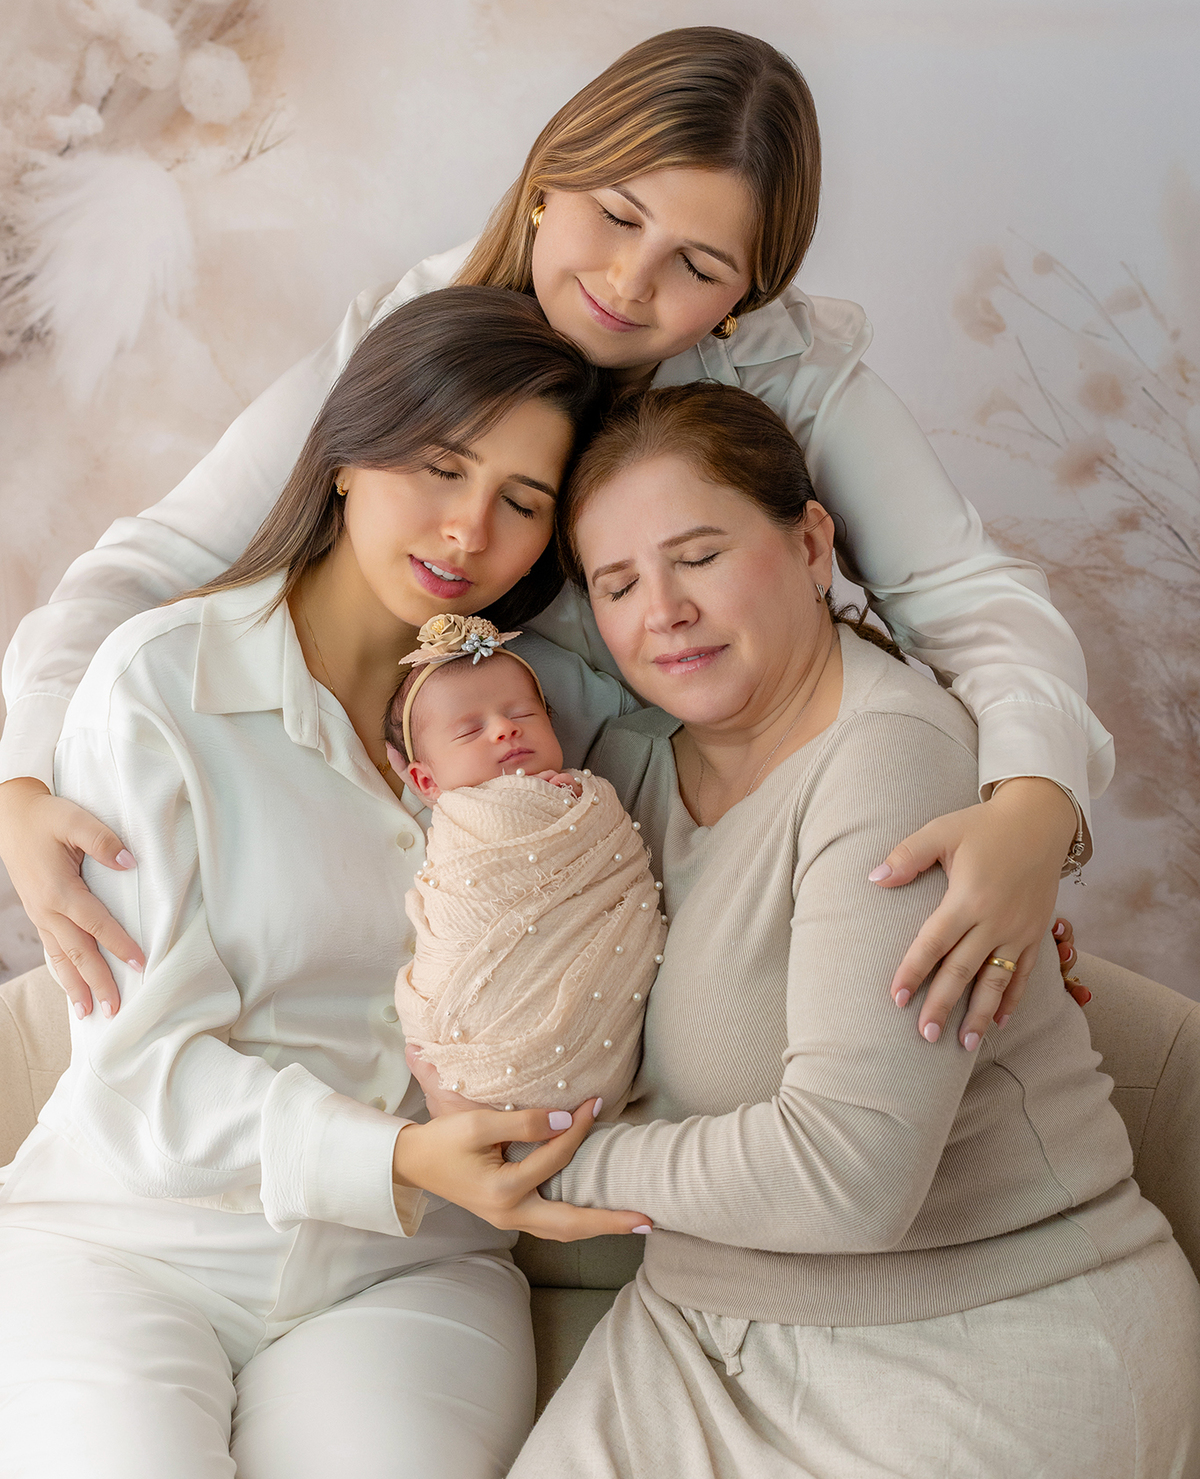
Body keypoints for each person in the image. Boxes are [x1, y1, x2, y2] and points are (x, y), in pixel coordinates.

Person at [0, 25, 1097, 1051]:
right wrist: (22, 785)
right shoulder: (419, 336)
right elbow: (147, 570)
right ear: (544, 183)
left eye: (698, 266)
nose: (631, 282)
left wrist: (1030, 810)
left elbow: (968, 600)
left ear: (741, 301)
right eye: (617, 217)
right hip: (425, 830)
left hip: (676, 834)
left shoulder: (787, 373)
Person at [0, 290, 655, 1479]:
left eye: (521, 502)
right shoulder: (164, 682)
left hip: (410, 1273)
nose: (468, 532)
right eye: (439, 467)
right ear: (348, 455)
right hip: (126, 1243)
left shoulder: (556, 725)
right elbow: (144, 1076)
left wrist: (1006, 854)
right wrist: (398, 1160)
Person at [488, 382, 1198, 1479]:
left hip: (974, 1340)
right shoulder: (622, 774)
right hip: (693, 1338)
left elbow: (848, 1177)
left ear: (812, 543)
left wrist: (550, 1168)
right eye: (619, 583)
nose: (661, 608)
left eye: (701, 556)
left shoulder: (890, 753)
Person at [387, 610, 665, 1115]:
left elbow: (616, 867)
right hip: (474, 1026)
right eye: (470, 731)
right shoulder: (463, 822)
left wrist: (580, 804)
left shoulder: (588, 798)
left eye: (523, 715)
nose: (504, 731)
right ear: (427, 783)